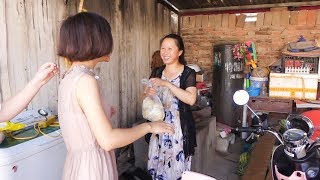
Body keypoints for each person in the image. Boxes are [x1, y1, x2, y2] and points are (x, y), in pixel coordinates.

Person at [57, 12, 174, 180]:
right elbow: (108, 140)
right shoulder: (85, 81)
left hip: (79, 165)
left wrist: (105, 111)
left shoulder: (69, 77)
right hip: (93, 169)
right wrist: (149, 127)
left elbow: (79, 119)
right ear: (94, 41)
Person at [144, 34, 197, 180]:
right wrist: (148, 93)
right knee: (157, 166)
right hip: (157, 127)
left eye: (169, 48)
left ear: (179, 52)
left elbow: (191, 99)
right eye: (162, 48)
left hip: (178, 130)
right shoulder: (157, 72)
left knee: (176, 170)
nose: (165, 52)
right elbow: (144, 99)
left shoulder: (188, 73)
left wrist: (167, 84)